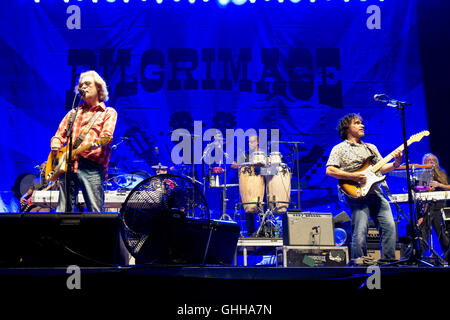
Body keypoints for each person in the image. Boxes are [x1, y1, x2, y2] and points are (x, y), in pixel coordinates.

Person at [326, 113, 402, 261]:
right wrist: (353, 176)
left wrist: (396, 163)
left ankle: (389, 261)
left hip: (376, 192)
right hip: (356, 193)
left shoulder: (371, 148)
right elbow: (330, 170)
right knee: (360, 231)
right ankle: (360, 262)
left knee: (389, 227)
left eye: (362, 122)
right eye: (357, 123)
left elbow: (381, 168)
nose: (362, 125)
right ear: (347, 128)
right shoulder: (339, 148)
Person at [51, 70, 117, 212]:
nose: (83, 87)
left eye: (87, 84)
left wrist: (97, 143)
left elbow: (106, 135)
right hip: (68, 166)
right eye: (81, 85)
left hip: (92, 167)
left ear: (98, 88)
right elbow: (59, 135)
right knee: (63, 211)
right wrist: (56, 144)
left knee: (95, 211)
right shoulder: (73, 113)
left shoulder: (108, 112)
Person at [417, 153, 450, 260]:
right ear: (424, 163)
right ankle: (419, 256)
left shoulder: (442, 173)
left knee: (442, 234)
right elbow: (417, 191)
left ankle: (448, 255)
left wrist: (439, 185)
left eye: (433, 160)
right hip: (426, 208)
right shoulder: (421, 175)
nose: (431, 162)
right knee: (423, 233)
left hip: (439, 207)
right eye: (428, 160)